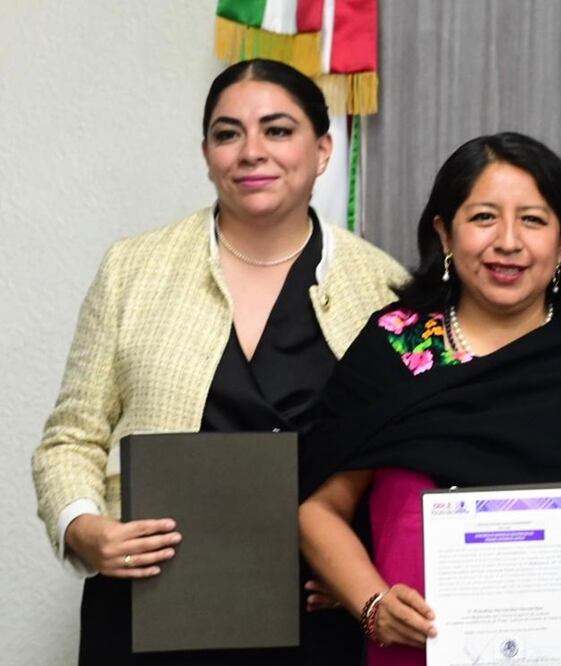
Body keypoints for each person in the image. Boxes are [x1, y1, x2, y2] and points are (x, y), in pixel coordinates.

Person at [31, 58, 407, 664]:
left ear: (323, 150)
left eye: (278, 130)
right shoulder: (133, 269)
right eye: (228, 133)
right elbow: (70, 438)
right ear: (207, 154)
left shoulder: (383, 286)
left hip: (317, 619)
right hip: (149, 607)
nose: (251, 151)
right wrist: (84, 529)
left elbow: (407, 463)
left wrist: (368, 575)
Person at [298, 131, 561, 664]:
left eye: (534, 220)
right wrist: (373, 605)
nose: (509, 242)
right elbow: (319, 506)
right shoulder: (393, 349)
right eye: (484, 217)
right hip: (410, 653)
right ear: (445, 234)